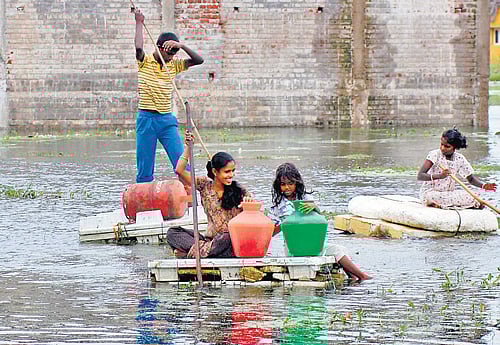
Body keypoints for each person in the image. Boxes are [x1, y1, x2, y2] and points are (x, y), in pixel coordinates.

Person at [268, 162, 373, 282]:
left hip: (313, 244)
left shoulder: (306, 199)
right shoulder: (277, 207)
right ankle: (362, 277)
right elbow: (270, 233)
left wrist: (315, 209)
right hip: (294, 247)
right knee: (336, 251)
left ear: (297, 183)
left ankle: (355, 278)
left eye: (290, 184)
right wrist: (286, 224)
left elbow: (320, 222)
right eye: (283, 184)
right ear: (278, 185)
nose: (287, 187)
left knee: (339, 249)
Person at [134, 9, 204, 183]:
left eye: (174, 53)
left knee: (181, 164)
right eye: (169, 52)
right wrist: (139, 22)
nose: (171, 56)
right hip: (146, 119)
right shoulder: (145, 61)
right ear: (159, 47)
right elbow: (138, 47)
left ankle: (188, 198)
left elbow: (199, 60)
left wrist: (182, 46)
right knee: (145, 168)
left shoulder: (174, 65)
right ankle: (144, 200)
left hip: (166, 120)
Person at [167, 130, 252, 258]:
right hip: (210, 241)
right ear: (215, 171)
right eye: (227, 171)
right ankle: (204, 252)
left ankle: (191, 253)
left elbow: (253, 217)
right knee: (173, 233)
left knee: (226, 236)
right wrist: (188, 148)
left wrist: (249, 206)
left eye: (232, 171)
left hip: (229, 241)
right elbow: (179, 170)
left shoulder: (240, 191)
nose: (231, 175)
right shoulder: (204, 185)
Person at [417, 128, 497, 209]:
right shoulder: (434, 155)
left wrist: (483, 186)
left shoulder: (459, 158)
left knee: (472, 196)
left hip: (448, 193)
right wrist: (440, 176)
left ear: (454, 148)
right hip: (431, 193)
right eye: (441, 144)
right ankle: (438, 204)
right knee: (432, 197)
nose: (442, 148)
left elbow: (471, 179)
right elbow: (420, 176)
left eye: (447, 146)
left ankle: (442, 205)